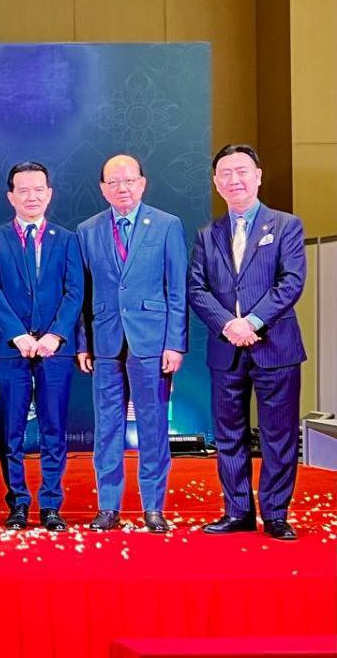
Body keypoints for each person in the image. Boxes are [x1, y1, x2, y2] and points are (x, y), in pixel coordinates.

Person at [188, 144, 306, 541]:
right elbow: (197, 288)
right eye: (225, 173)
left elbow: (291, 282)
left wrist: (252, 322)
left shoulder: (286, 225)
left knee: (278, 435)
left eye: (241, 171)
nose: (234, 180)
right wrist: (229, 326)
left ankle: (275, 513)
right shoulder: (208, 235)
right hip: (226, 350)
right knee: (228, 435)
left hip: (275, 346)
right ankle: (237, 510)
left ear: (257, 175)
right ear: (216, 182)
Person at [76, 155, 187, 533]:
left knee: (153, 426)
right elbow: (82, 293)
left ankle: (153, 507)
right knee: (107, 427)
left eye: (128, 181)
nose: (122, 188)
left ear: (142, 183)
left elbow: (177, 289)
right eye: (113, 182)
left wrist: (175, 344)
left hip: (152, 341)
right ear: (102, 188)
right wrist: (83, 343)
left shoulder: (167, 225)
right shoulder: (87, 230)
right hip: (105, 342)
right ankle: (108, 506)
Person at [0, 161, 84, 532]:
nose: (32, 197)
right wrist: (18, 334)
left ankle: (51, 504)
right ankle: (18, 503)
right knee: (11, 431)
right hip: (11, 347)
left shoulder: (67, 239)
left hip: (54, 350)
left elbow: (74, 293)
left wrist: (55, 335)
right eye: (23, 190)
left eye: (38, 189)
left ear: (49, 194)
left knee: (53, 428)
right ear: (11, 196)